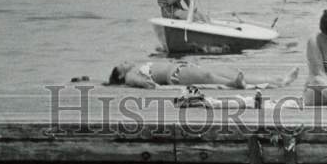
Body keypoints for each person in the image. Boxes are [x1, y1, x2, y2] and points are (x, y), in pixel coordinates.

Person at [108, 60, 300, 90]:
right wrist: (146, 82)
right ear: (120, 74)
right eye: (122, 64)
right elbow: (139, 82)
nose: (126, 62)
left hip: (182, 67)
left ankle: (279, 80)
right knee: (208, 75)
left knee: (230, 71)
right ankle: (234, 84)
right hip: (174, 74)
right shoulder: (130, 75)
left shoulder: (137, 66)